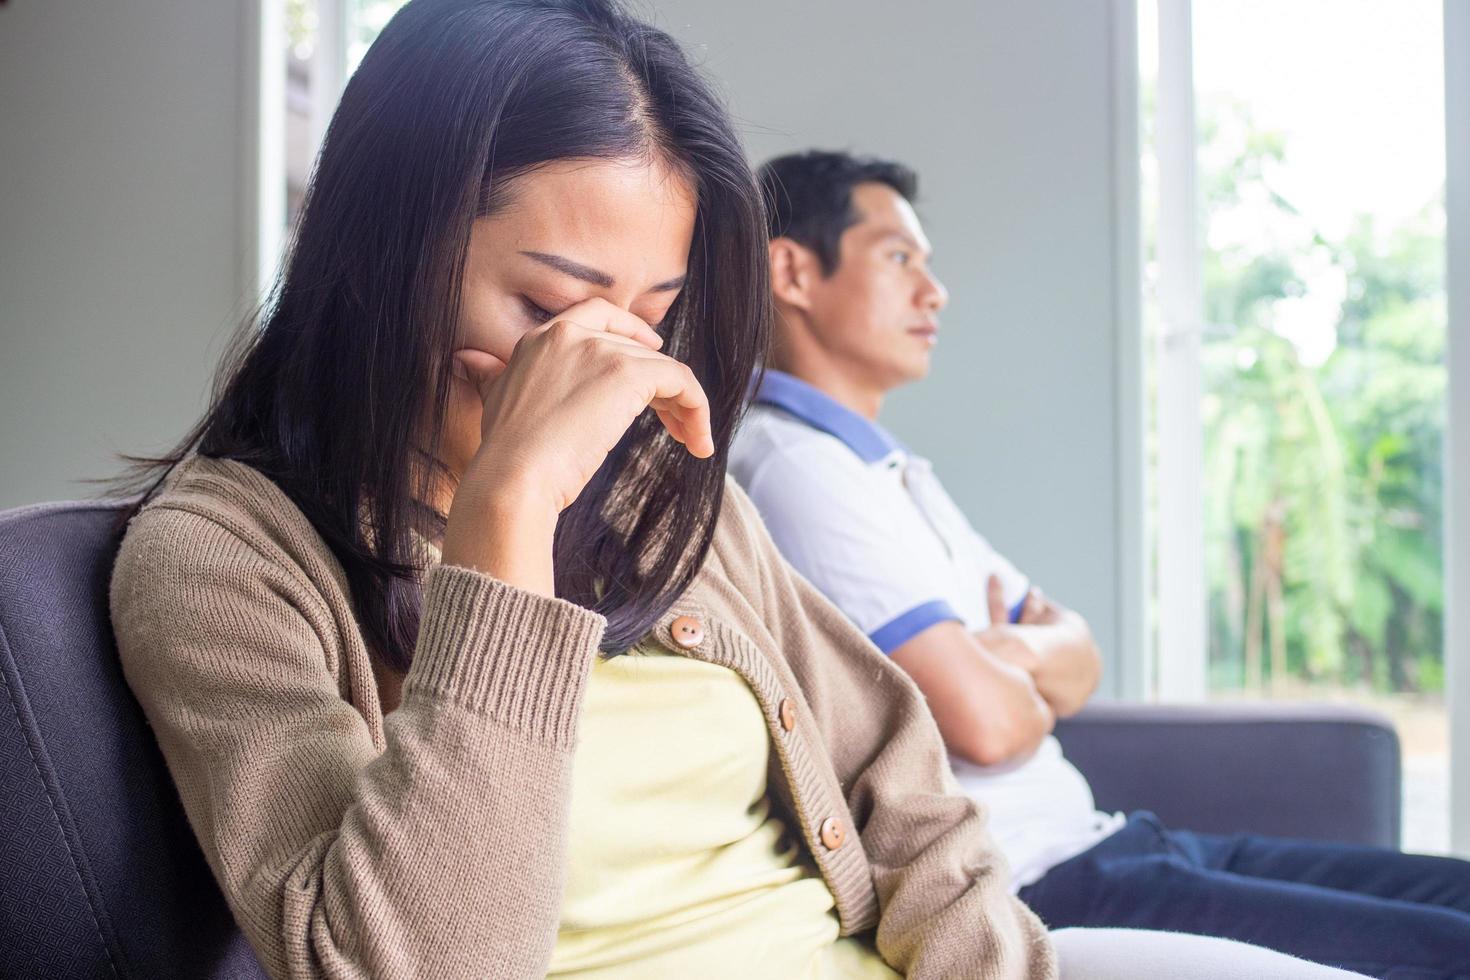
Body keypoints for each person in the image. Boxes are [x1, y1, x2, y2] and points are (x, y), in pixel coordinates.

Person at [106, 5, 1054, 977]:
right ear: (380, 255)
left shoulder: (659, 489)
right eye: (551, 307)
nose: (606, 363)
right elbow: (418, 961)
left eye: (654, 312)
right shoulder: (222, 562)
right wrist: (509, 510)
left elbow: (904, 796)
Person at [728, 149, 1470, 978]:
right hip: (1039, 883)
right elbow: (992, 724)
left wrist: (1013, 659)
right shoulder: (795, 472)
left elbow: (1078, 657)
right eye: (899, 258)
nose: (934, 293)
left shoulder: (883, 471)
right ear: (791, 270)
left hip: (1110, 840)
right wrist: (1006, 666)